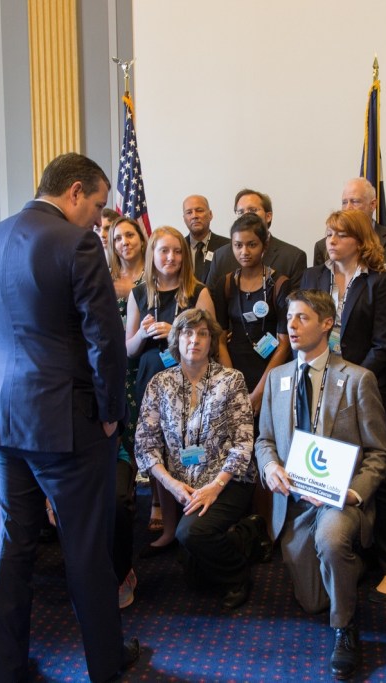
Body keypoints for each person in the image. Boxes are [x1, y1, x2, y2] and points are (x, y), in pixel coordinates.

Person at [0, 152, 139, 682]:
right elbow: (105, 339)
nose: (101, 221)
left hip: (0, 419)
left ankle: (6, 669)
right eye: (100, 207)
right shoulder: (75, 242)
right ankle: (106, 667)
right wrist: (111, 413)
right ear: (75, 191)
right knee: (85, 552)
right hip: (68, 422)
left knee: (10, 548)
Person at [256, 289, 386, 679]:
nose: (292, 327)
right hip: (295, 499)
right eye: (289, 319)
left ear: (327, 324)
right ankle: (349, 569)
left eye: (302, 318)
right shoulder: (278, 378)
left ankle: (345, 629)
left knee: (331, 541)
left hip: (340, 498)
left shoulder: (357, 379)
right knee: (312, 601)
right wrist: (269, 468)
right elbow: (264, 440)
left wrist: (351, 494)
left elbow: (380, 453)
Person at [301, 210, 386, 603]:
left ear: (360, 240)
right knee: (328, 466)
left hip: (366, 386)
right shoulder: (313, 278)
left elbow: (383, 342)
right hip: (317, 384)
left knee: (376, 471)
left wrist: (350, 379)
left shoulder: (379, 282)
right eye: (328, 234)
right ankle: (340, 554)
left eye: (341, 235)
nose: (331, 241)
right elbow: (301, 326)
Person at [135, 308, 263, 610]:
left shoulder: (231, 380)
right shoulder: (159, 384)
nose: (194, 340)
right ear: (176, 340)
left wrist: (215, 487)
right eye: (187, 333)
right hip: (184, 486)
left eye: (202, 334)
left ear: (212, 341)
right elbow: (145, 443)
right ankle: (246, 535)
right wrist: (172, 486)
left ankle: (238, 575)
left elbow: (244, 443)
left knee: (190, 533)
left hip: (229, 480)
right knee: (194, 573)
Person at [126, 225, 221, 556]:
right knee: (161, 452)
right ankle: (168, 527)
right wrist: (143, 333)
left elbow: (212, 340)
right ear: (152, 253)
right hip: (153, 382)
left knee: (193, 449)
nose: (171, 257)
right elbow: (129, 349)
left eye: (177, 251)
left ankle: (193, 521)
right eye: (164, 251)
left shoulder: (198, 292)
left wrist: (175, 333)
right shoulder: (139, 294)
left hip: (190, 379)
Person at [210, 213, 291, 415]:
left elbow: (285, 343)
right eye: (238, 245)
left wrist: (260, 391)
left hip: (270, 374)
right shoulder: (226, 283)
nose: (244, 251)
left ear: (265, 245)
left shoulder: (280, 284)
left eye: (251, 245)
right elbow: (220, 339)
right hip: (234, 370)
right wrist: (232, 382)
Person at [107, 215, 148, 608]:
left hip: (142, 368)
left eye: (129, 234)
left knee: (142, 444)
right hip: (110, 372)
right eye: (117, 237)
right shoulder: (101, 279)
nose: (124, 242)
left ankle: (149, 507)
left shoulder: (149, 280)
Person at [205, 188, 307, 289]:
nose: (246, 215)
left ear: (268, 216)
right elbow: (210, 299)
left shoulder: (293, 257)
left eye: (252, 210)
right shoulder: (221, 256)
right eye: (240, 212)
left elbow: (298, 302)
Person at [312, 178, 386, 267]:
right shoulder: (323, 247)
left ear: (372, 205)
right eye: (344, 202)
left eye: (355, 201)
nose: (348, 208)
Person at [183, 195, 230, 283]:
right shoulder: (178, 248)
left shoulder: (228, 246)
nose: (194, 216)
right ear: (184, 219)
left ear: (210, 214)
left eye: (199, 210)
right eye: (189, 212)